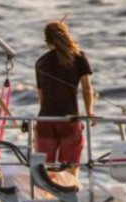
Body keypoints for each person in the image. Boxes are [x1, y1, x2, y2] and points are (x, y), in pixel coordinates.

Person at [34, 19, 94, 176]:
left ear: (47, 41)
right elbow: (87, 90)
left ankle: (45, 199)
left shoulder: (40, 62)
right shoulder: (79, 58)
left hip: (45, 120)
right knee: (70, 170)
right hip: (69, 120)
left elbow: (42, 96)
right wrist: (90, 112)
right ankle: (68, 196)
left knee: (45, 170)